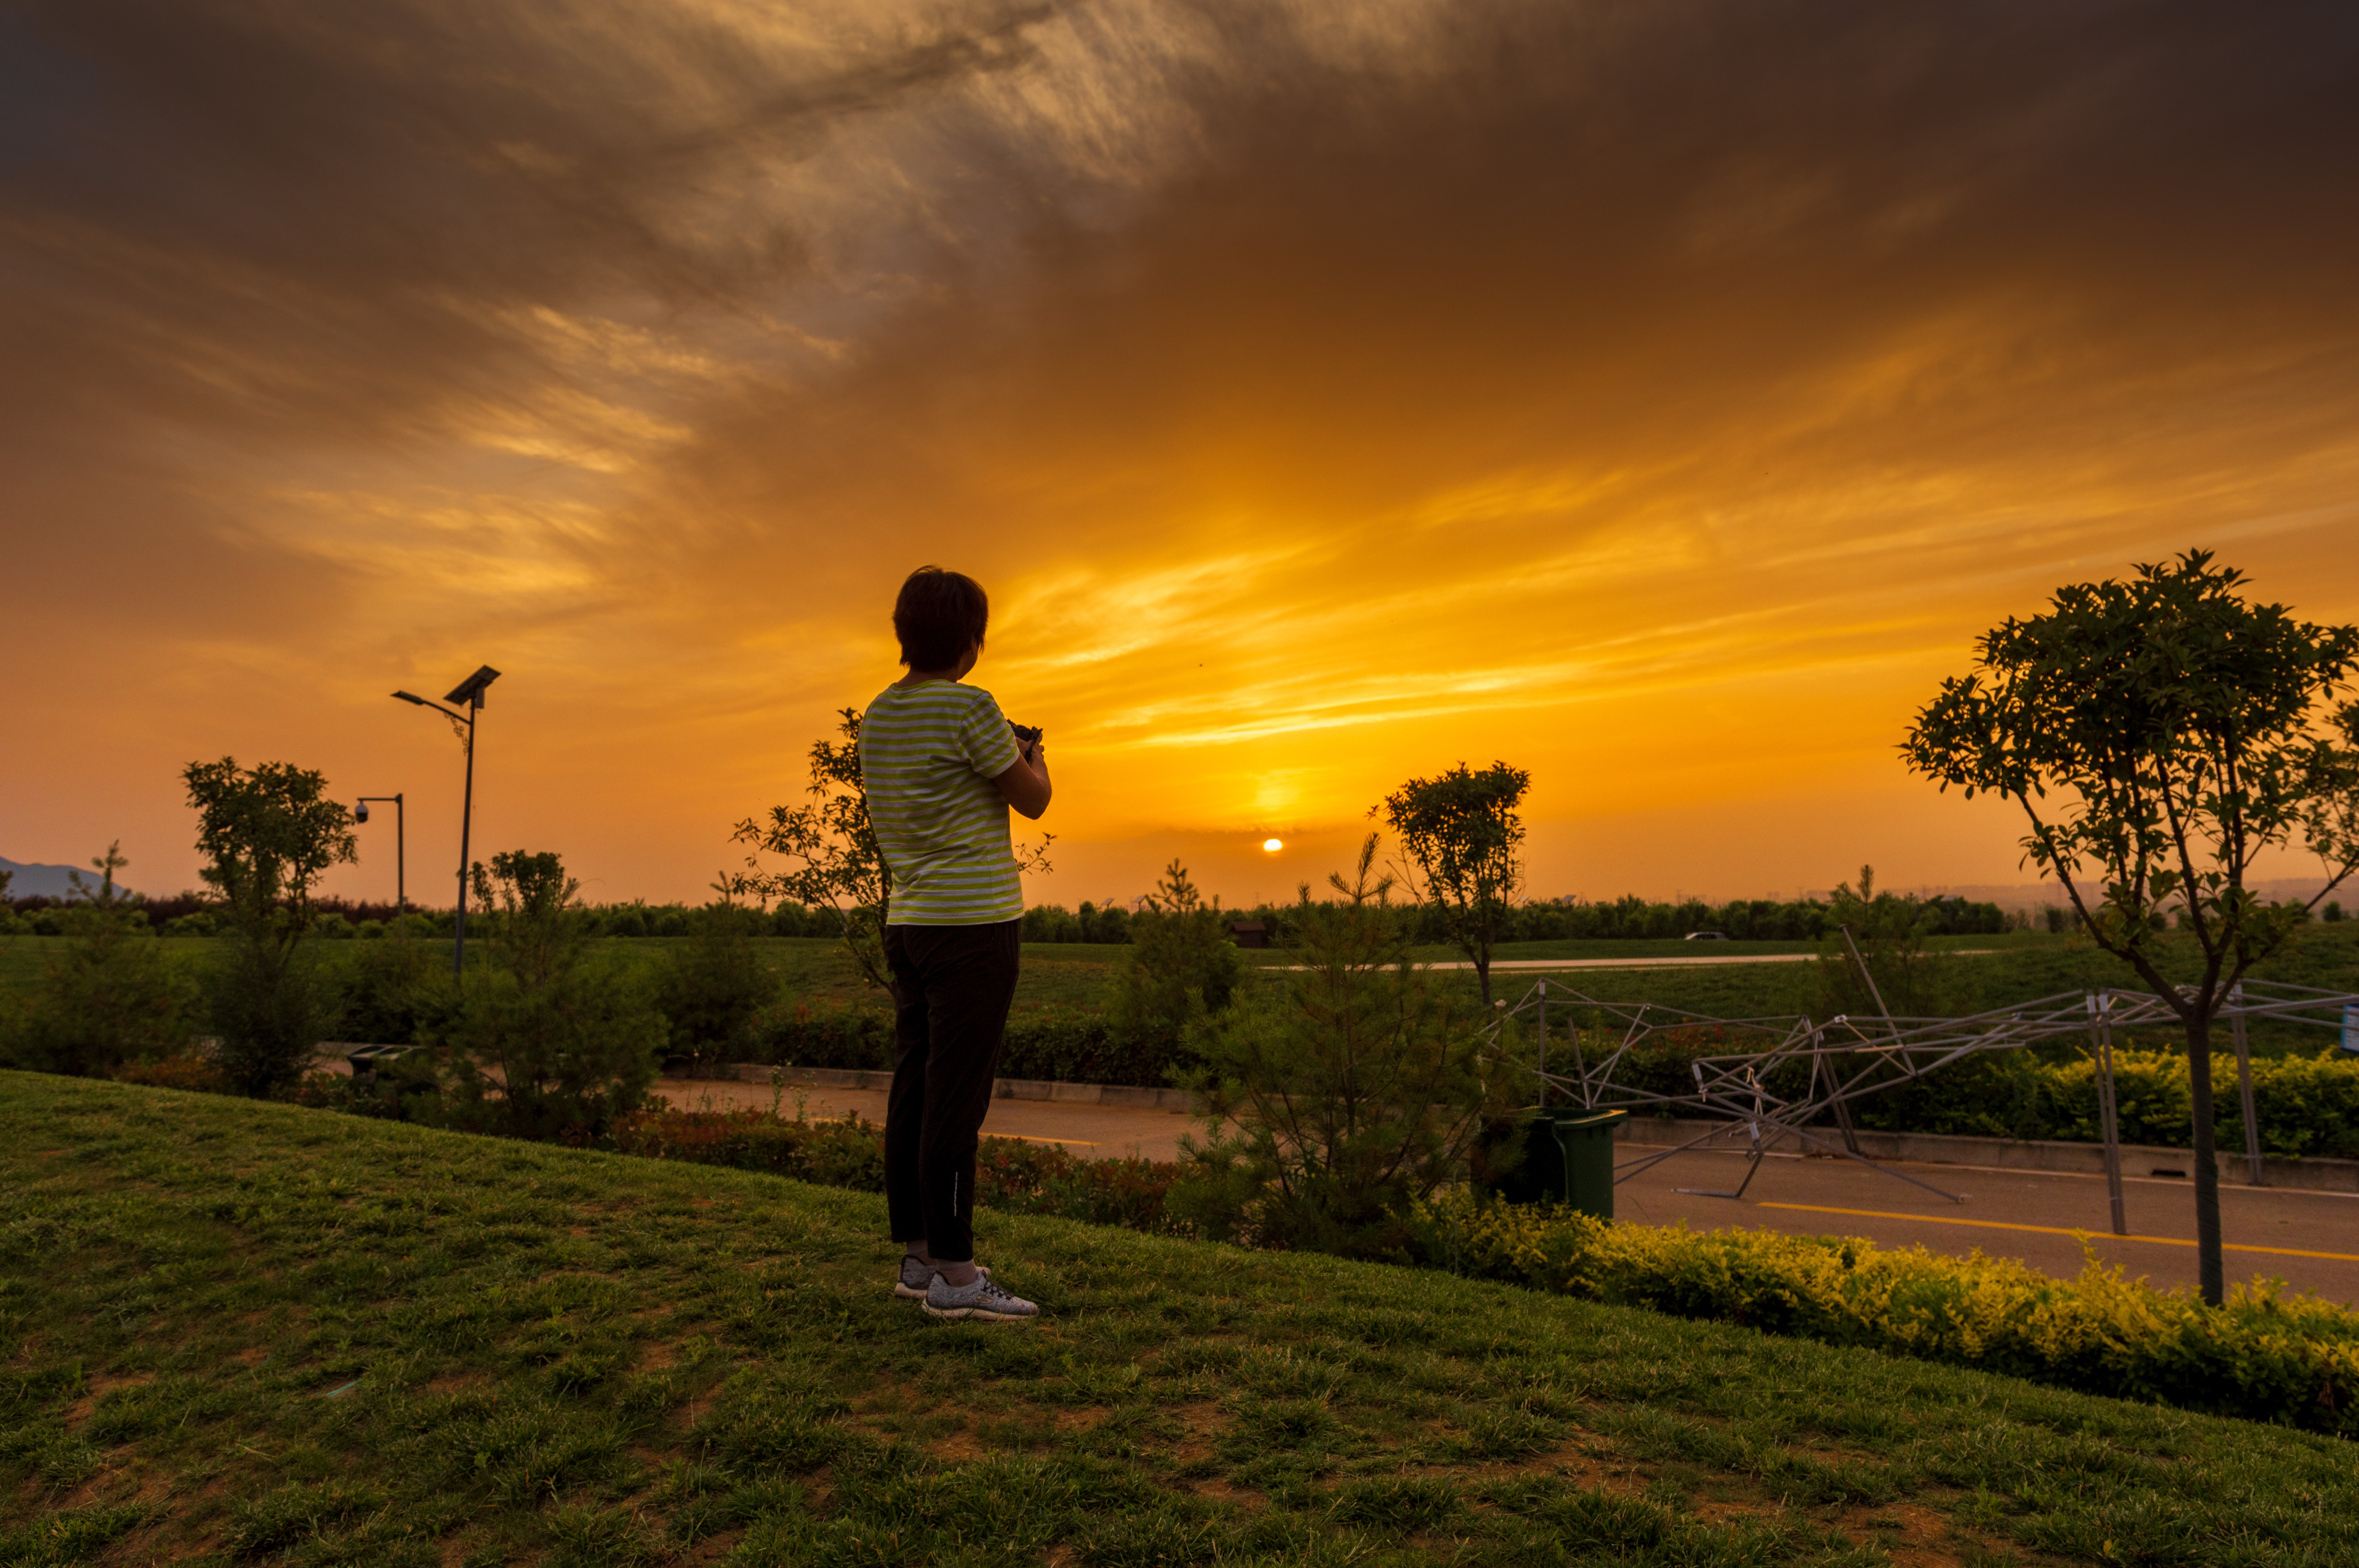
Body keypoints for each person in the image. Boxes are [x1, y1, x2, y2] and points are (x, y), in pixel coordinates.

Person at [860, 565, 1052, 1322]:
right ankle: (959, 1277)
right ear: (972, 642)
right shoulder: (974, 707)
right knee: (956, 1100)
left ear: (905, 636)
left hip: (909, 921)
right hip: (974, 926)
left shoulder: (879, 714)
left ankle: (918, 1256)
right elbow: (1032, 800)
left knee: (915, 1086)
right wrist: (1033, 752)